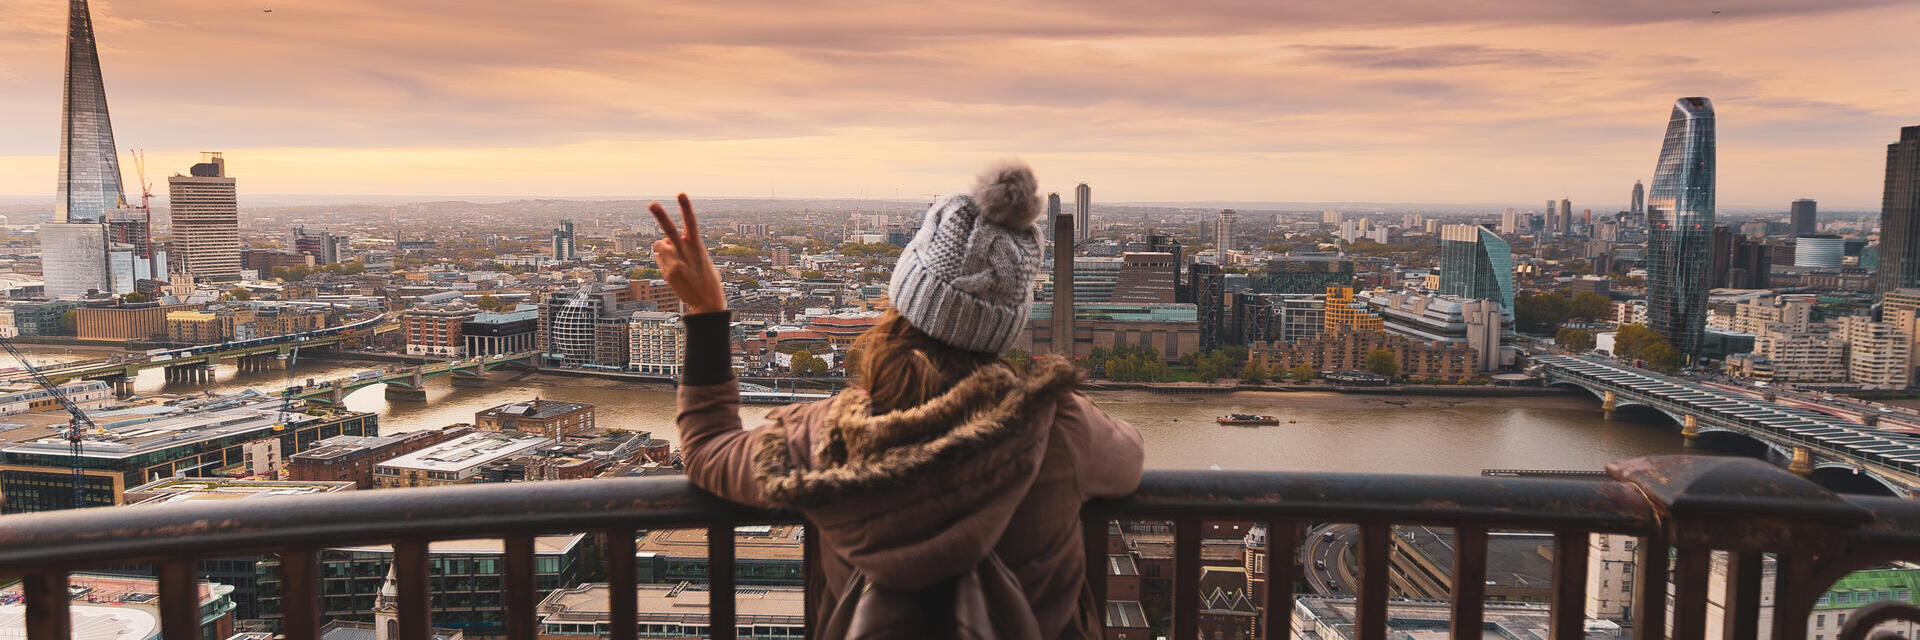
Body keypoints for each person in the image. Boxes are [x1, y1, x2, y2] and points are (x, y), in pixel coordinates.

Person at [648, 159, 1145, 639]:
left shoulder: (826, 438)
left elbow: (707, 447)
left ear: (902, 302)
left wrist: (707, 308)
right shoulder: (1057, 428)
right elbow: (1131, 457)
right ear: (1005, 330)